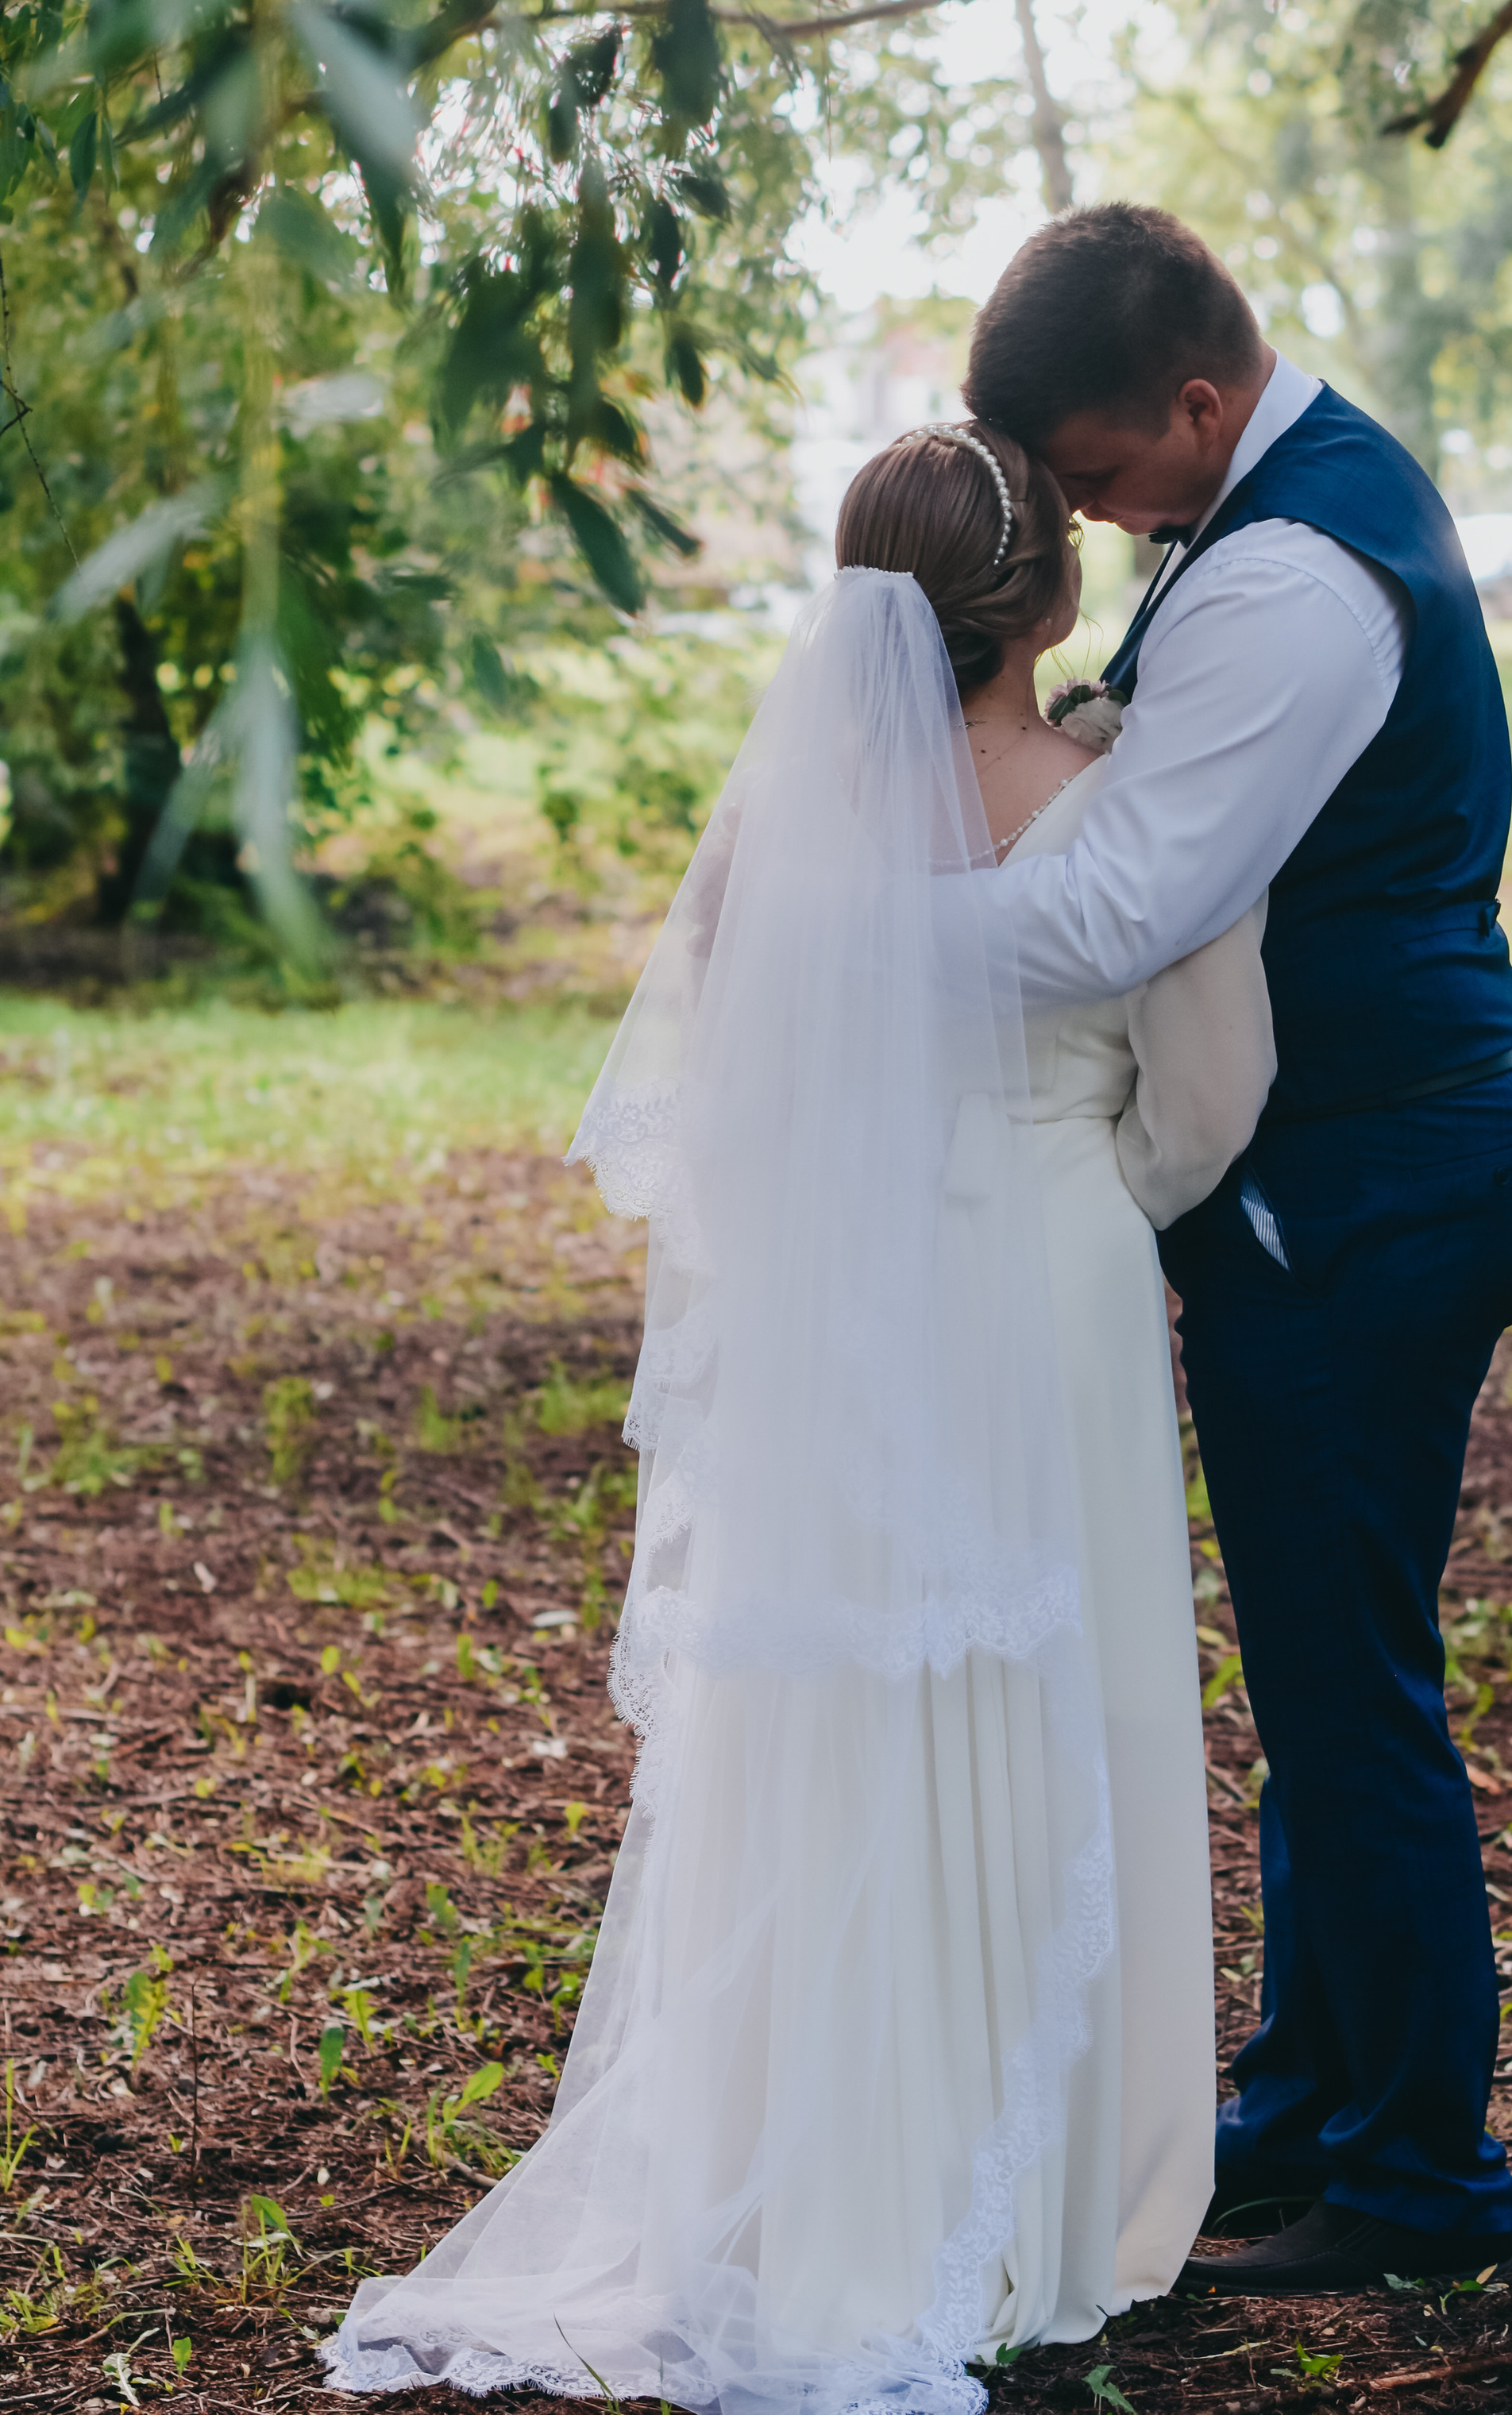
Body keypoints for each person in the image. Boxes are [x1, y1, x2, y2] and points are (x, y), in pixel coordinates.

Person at [322, 426, 1272, 2409]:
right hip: (1054, 1269)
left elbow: (718, 1118)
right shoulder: (1127, 806)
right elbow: (1209, 1100)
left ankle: (812, 2183)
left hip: (843, 1313)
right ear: (1053, 603)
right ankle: (1054, 2201)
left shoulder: (780, 827)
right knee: (1061, 1706)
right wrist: (1088, 1193)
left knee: (837, 1724)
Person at [966, 203, 1512, 2297]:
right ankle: (1306, 2106)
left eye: (1096, 475)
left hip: (1381, 1169)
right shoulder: (1268, 522)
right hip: (1365, 1150)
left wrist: (840, 941)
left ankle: (1416, 2186)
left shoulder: (1290, 580)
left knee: (1349, 1691)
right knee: (1330, 1668)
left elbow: (1113, 911)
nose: (1087, 520)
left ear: (1201, 406)